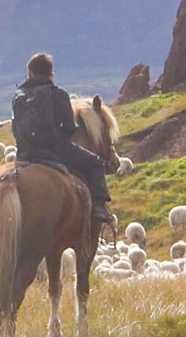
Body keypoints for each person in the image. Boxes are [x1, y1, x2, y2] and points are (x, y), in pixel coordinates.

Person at [11, 52, 115, 228]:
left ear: (29, 73)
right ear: (51, 76)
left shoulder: (17, 97)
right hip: (55, 151)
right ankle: (99, 208)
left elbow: (15, 129)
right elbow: (69, 128)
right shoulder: (59, 94)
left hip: (24, 154)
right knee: (96, 163)